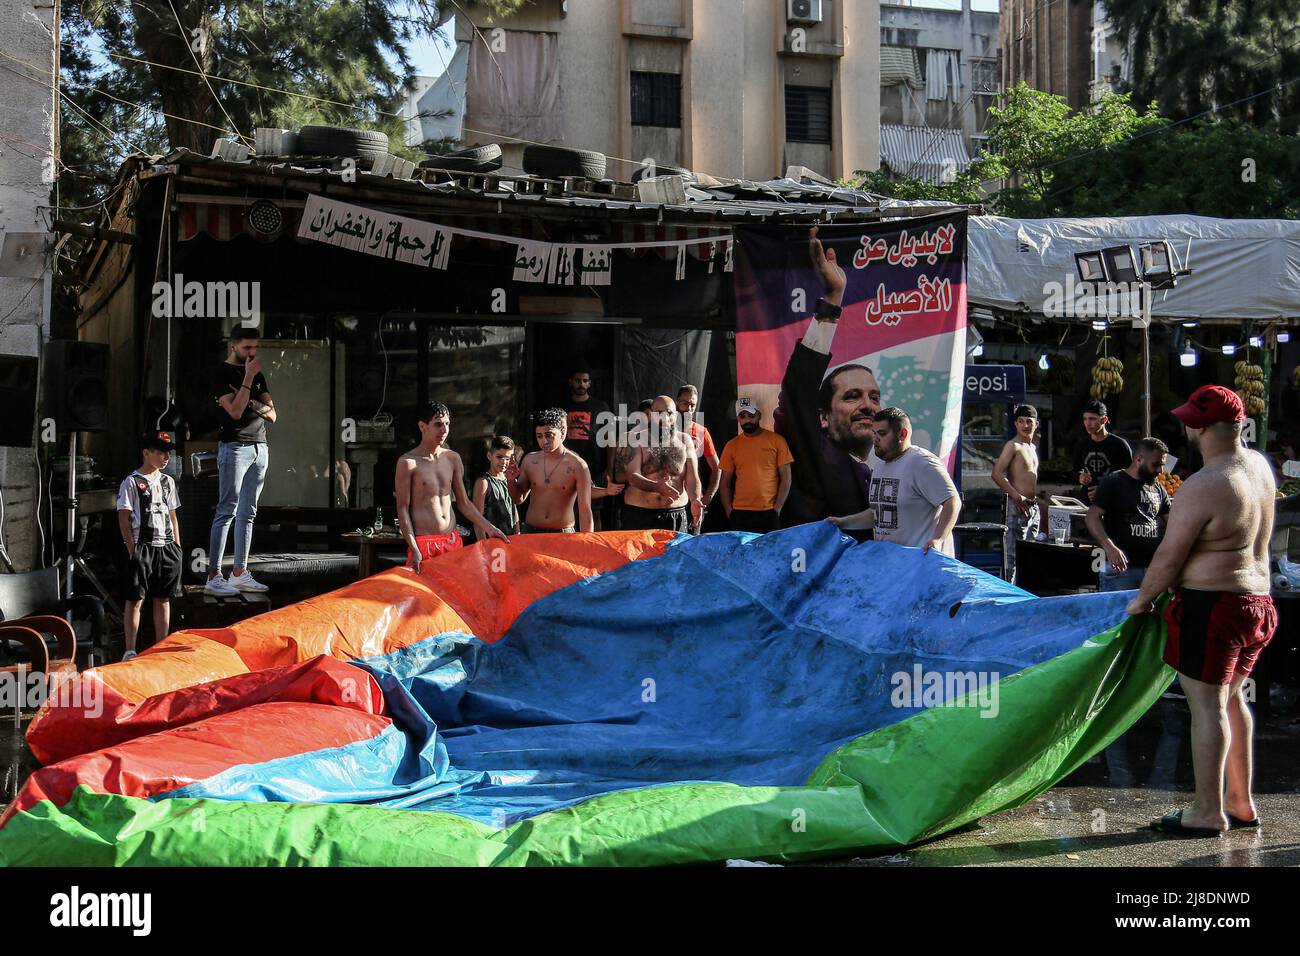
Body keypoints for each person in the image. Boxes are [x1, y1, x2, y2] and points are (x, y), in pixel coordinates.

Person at [1126, 385, 1277, 837]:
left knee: (1206, 706)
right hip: (1259, 605)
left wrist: (1141, 600)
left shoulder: (1204, 483)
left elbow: (1170, 557)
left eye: (1191, 419)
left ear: (1202, 427)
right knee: (1232, 700)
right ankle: (1240, 801)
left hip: (1214, 607)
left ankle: (1207, 812)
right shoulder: (1259, 468)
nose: (1186, 425)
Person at [773, 227, 883, 525]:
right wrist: (833, 299)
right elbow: (800, 386)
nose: (868, 406)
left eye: (874, 397)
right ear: (823, 417)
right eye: (852, 396)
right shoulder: (818, 454)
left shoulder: (894, 466)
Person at [828, 408, 960, 554]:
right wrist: (843, 522)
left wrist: (938, 539)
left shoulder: (923, 462)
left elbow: (952, 501)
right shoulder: (879, 467)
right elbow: (877, 514)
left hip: (923, 565)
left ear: (902, 434)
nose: (875, 439)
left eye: (882, 434)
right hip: (893, 565)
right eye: (874, 433)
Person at [395, 403, 507, 572]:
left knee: (454, 596)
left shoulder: (452, 458)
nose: (444, 429)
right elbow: (402, 510)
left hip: (452, 540)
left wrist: (489, 528)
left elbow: (464, 502)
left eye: (447, 424)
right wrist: (414, 548)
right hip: (424, 543)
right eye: (438, 424)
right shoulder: (408, 462)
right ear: (422, 426)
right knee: (427, 597)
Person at [206, 326, 275, 596]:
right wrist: (247, 378)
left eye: (255, 348)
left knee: (249, 512)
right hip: (235, 446)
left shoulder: (258, 376)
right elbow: (234, 411)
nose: (252, 353)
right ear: (233, 345)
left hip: (260, 446)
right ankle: (214, 575)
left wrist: (251, 401)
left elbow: (272, 414)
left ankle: (240, 571)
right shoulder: (221, 373)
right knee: (227, 510)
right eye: (247, 348)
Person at [116, 431, 183, 661]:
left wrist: (177, 546)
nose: (166, 457)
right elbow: (124, 518)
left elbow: (172, 515)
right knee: (135, 598)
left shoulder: (168, 482)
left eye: (168, 452)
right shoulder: (132, 482)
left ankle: (161, 647)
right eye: (160, 452)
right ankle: (130, 649)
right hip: (142, 545)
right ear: (146, 453)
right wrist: (132, 549)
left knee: (163, 597)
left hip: (166, 546)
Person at [1085, 437, 1171, 592]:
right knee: (1120, 615)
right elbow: (1092, 517)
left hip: (1151, 569)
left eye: (1163, 465)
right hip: (1121, 570)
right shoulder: (1114, 482)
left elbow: (1172, 519)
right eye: (1156, 464)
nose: (1160, 471)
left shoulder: (1157, 487)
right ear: (1139, 459)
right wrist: (1109, 547)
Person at [512, 407, 608, 533]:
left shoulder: (577, 465)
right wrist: (510, 479)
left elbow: (585, 511)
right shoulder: (530, 460)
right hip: (532, 531)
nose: (544, 441)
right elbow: (518, 499)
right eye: (539, 436)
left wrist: (586, 543)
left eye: (549, 435)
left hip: (563, 533)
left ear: (562, 433)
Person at [622, 395, 703, 533]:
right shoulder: (636, 439)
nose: (664, 418)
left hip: (675, 514)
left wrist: (695, 499)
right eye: (659, 413)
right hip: (640, 513)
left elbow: (693, 477)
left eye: (669, 413)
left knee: (674, 555)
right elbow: (632, 476)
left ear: (675, 415)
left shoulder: (685, 441)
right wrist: (655, 487)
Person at [719, 397, 794, 534]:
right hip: (739, 513)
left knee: (769, 554)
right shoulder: (731, 446)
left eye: (751, 415)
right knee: (743, 555)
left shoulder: (777, 441)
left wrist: (777, 509)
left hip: (768, 512)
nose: (747, 420)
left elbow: (786, 478)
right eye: (742, 416)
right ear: (738, 419)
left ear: (759, 415)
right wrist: (729, 511)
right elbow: (724, 483)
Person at [991, 404, 1040, 584]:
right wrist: (1015, 495)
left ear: (1037, 424)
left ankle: (1026, 593)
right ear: (1016, 424)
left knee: (1030, 554)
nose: (1025, 425)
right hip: (1016, 506)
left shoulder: (1032, 447)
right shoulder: (1013, 446)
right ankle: (1009, 595)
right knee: (1011, 557)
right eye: (1021, 421)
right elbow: (996, 474)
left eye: (1029, 421)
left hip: (1032, 507)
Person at [563, 363, 612, 526]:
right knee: (567, 510)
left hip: (594, 468)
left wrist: (609, 467)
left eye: (585, 381)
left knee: (594, 512)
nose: (581, 384)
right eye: (577, 380)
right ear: (570, 382)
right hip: (566, 467)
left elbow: (610, 439)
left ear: (590, 383)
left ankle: (593, 547)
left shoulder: (601, 407)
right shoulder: (562, 407)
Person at [677, 385, 721, 531]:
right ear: (677, 402)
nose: (689, 409)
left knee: (691, 546)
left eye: (692, 405)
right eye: (685, 403)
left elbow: (717, 468)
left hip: (693, 501)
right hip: (671, 500)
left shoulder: (701, 432)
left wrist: (707, 496)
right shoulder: (663, 431)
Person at [1075, 400, 1132, 503]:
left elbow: (1129, 477)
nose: (1088, 423)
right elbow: (1075, 469)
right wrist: (1080, 476)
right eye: (1085, 419)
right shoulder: (1082, 444)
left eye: (1092, 419)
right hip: (1087, 501)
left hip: (1114, 503)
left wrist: (1105, 490)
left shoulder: (1119, 445)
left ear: (1104, 420)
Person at [473, 436, 521, 540]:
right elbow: (477, 520)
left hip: (510, 539)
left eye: (507, 458)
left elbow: (513, 509)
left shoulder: (510, 480)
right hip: (492, 542)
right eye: (499, 457)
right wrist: (483, 546)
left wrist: (518, 535)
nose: (504, 462)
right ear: (489, 456)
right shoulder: (483, 483)